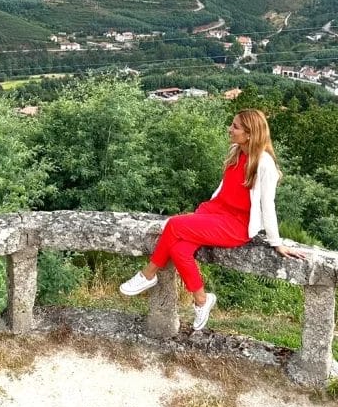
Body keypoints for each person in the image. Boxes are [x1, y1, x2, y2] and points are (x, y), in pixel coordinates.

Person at [119, 108, 306, 331]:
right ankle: (202, 300)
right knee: (179, 250)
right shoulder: (236, 151)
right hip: (214, 212)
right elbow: (224, 187)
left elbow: (268, 205)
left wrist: (276, 242)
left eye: (235, 126)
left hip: (236, 225)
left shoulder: (264, 164)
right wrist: (207, 209)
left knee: (174, 224)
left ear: (250, 133)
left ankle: (148, 274)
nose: (230, 129)